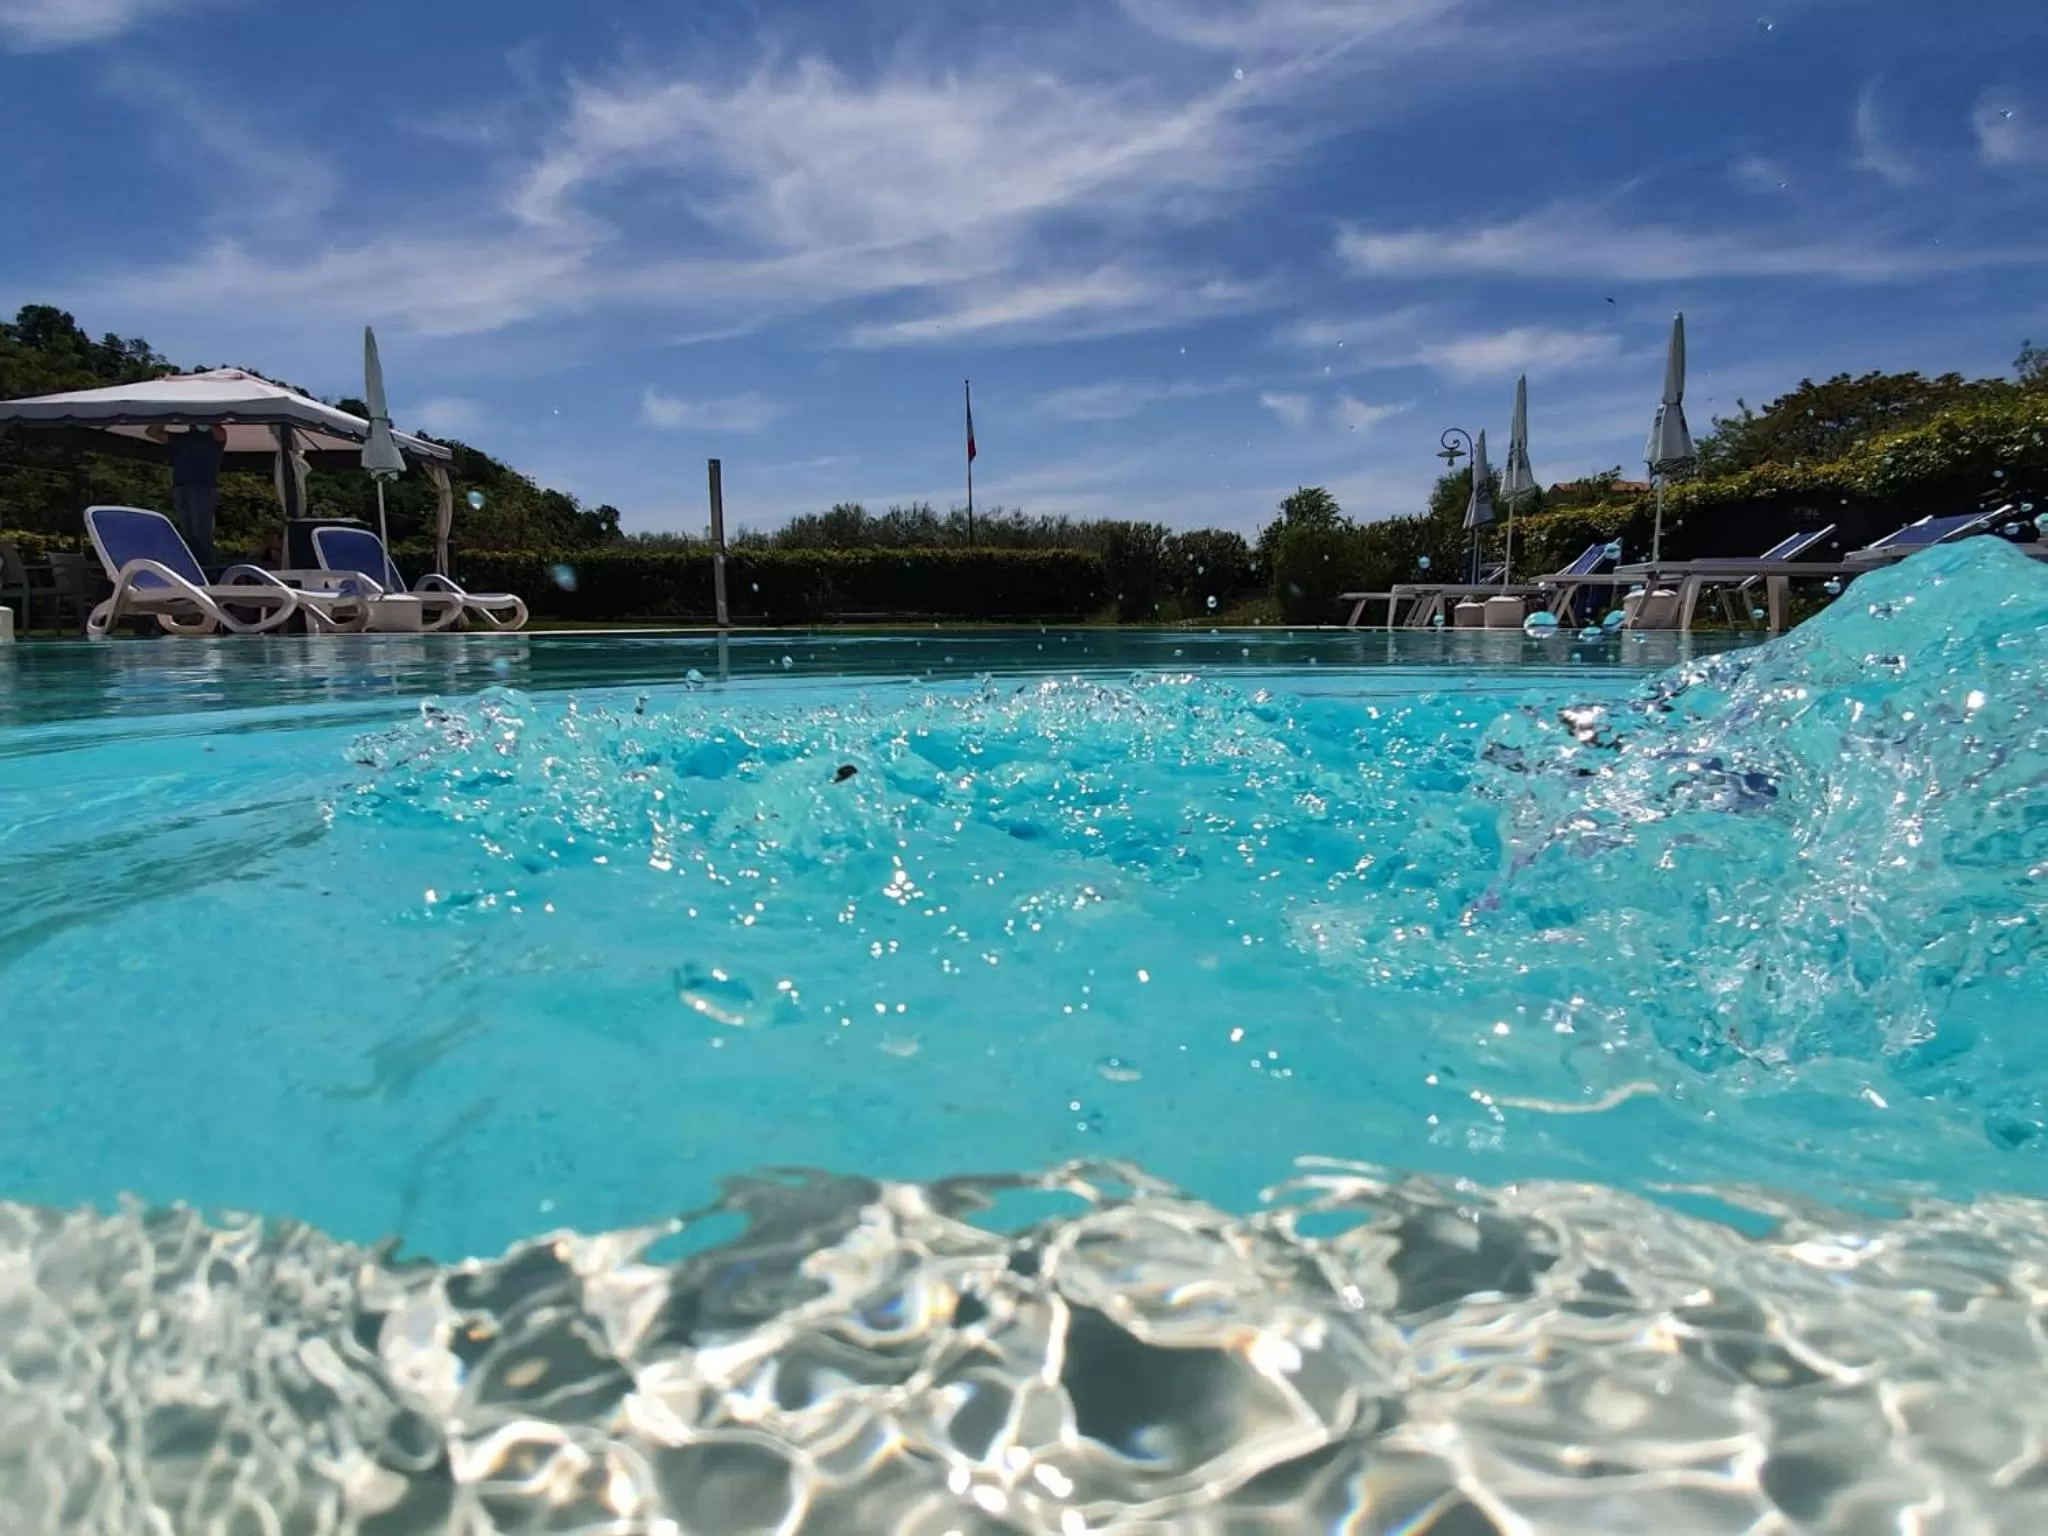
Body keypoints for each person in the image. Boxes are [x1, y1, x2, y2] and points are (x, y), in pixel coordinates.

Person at [166, 422, 227, 571]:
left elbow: (221, 433)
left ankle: (208, 573)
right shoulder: (182, 438)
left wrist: (206, 420)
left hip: (202, 488)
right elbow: (152, 432)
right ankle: (191, 570)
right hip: (181, 487)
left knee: (202, 534)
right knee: (187, 534)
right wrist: (169, 417)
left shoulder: (212, 438)